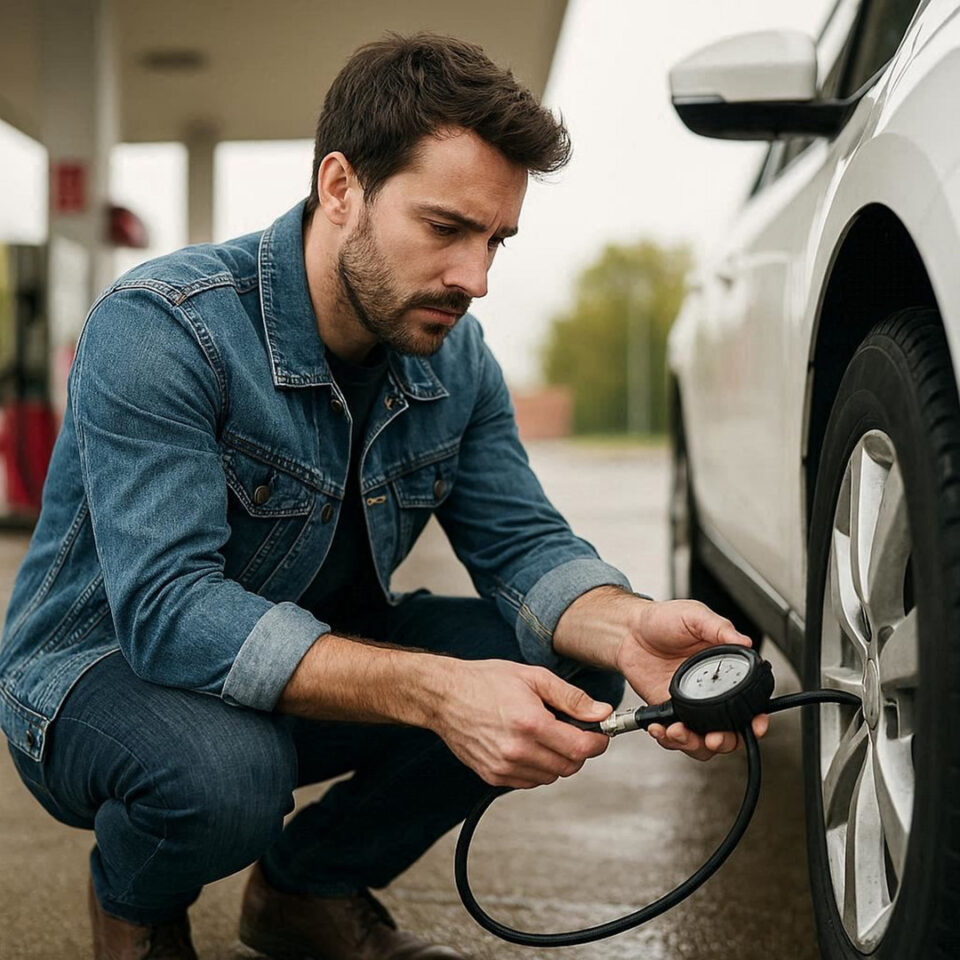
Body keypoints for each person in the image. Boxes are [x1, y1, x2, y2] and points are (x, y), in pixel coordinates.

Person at [0, 32, 767, 960]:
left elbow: (522, 543)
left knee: (567, 668)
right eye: (446, 229)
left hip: (306, 665)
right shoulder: (165, 328)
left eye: (495, 240)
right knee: (227, 776)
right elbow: (169, 613)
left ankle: (306, 890)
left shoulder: (455, 356)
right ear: (340, 188)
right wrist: (440, 693)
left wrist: (628, 626)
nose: (476, 279)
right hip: (101, 675)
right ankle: (135, 906)